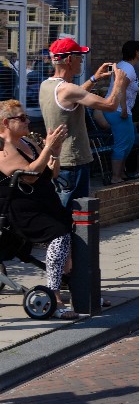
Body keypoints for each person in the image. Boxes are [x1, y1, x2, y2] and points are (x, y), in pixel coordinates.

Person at [0, 100, 76, 318]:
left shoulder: (27, 142)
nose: (27, 120)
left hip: (45, 202)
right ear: (6, 122)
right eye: (22, 118)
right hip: (21, 210)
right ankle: (54, 295)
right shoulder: (2, 148)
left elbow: (50, 173)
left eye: (26, 117)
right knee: (59, 236)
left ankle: (78, 288)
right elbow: (29, 176)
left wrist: (56, 152)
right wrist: (48, 148)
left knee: (77, 233)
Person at [40, 38, 129, 204]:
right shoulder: (67, 89)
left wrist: (94, 78)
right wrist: (119, 83)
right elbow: (110, 105)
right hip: (74, 161)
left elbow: (74, 96)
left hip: (58, 160)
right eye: (79, 56)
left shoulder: (47, 85)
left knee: (62, 208)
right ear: (69, 59)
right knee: (76, 215)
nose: (82, 60)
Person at [101, 40, 139, 183]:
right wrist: (124, 109)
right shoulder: (128, 69)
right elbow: (121, 89)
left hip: (118, 109)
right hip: (118, 110)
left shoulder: (125, 66)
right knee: (122, 143)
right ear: (136, 52)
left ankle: (122, 173)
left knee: (129, 141)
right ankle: (115, 177)